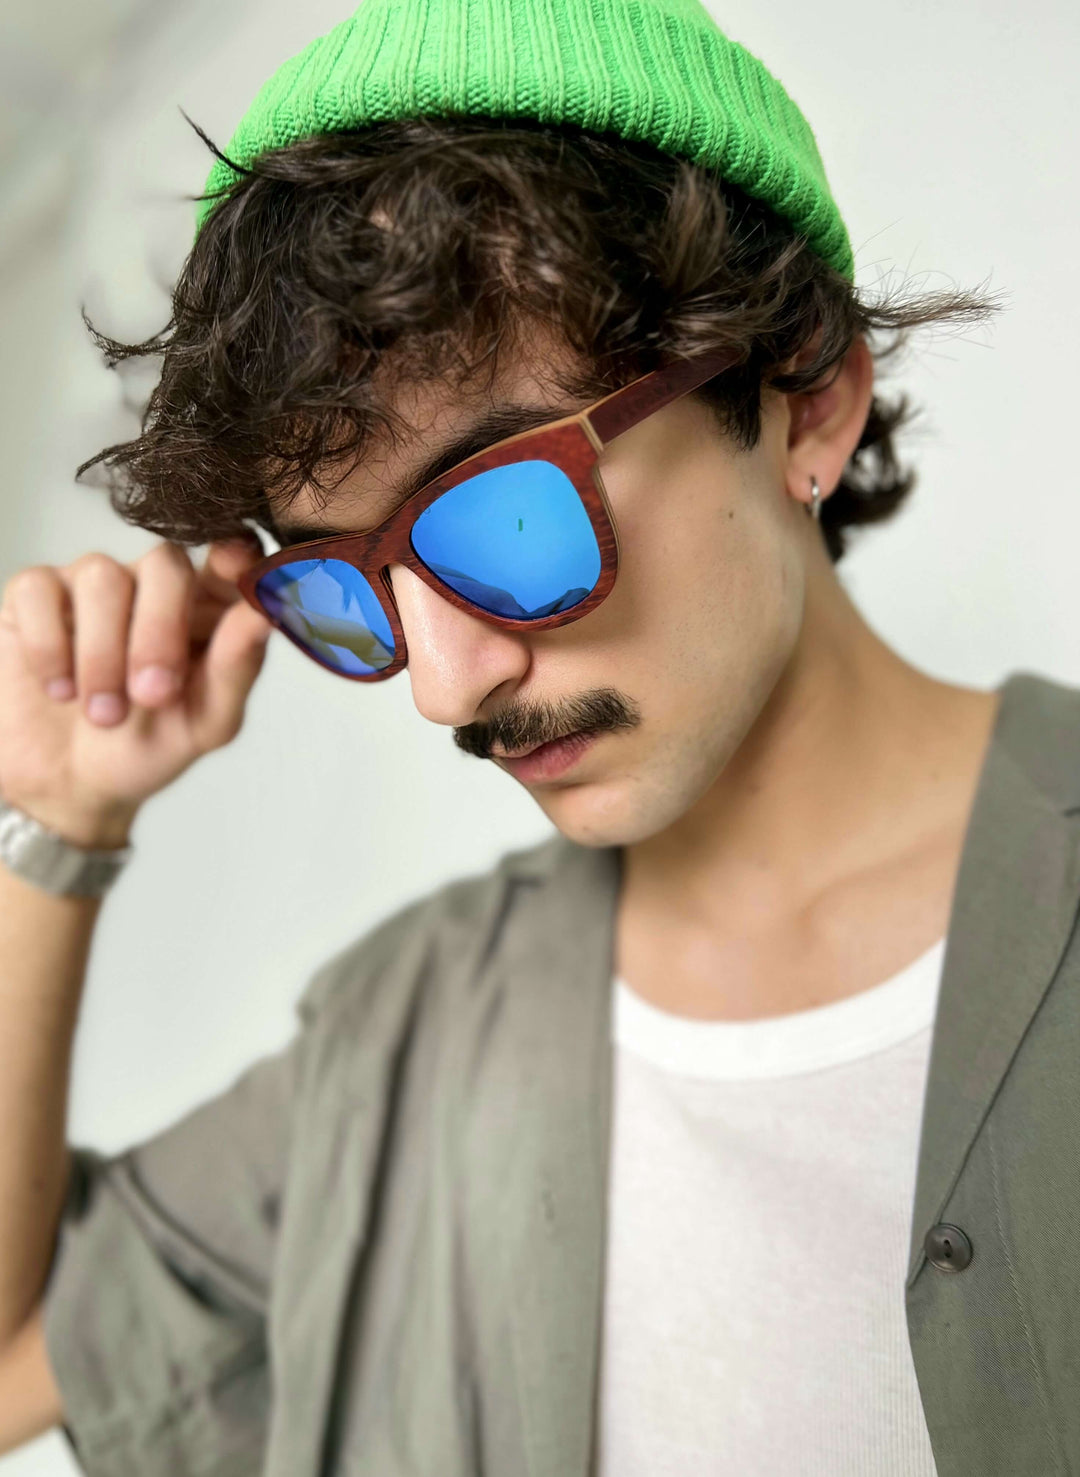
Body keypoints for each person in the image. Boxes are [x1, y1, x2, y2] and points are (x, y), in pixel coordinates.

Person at [0, 0, 1077, 1473]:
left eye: (505, 513)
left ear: (805, 392)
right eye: (350, 583)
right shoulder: (400, 1036)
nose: (446, 687)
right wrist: (54, 823)